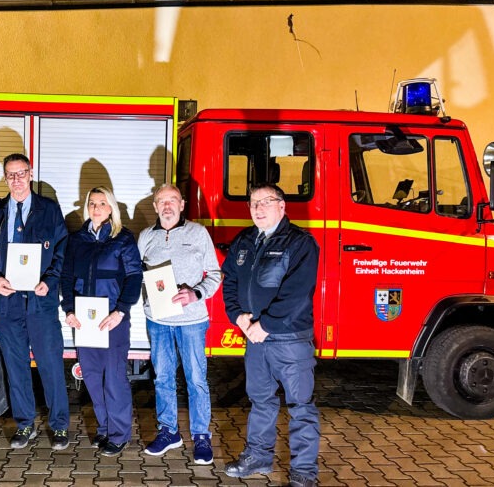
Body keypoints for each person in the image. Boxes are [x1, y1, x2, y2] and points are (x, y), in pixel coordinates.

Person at [221, 183, 320, 487]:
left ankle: (304, 473)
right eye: (253, 203)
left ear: (282, 206)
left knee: (300, 406)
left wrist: (264, 326)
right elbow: (230, 284)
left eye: (266, 202)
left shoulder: (300, 243)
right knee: (260, 401)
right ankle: (258, 457)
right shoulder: (245, 240)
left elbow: (296, 293)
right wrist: (238, 317)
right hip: (255, 340)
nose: (259, 208)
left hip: (289, 340)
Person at [0, 153, 70, 450]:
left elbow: (62, 251)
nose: (16, 179)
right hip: (9, 303)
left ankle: (60, 426)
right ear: (5, 178)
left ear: (31, 174)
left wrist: (50, 281)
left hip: (41, 303)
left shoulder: (49, 210)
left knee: (51, 366)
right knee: (15, 367)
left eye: (21, 173)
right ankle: (25, 425)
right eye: (10, 174)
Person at [137, 184, 221, 465]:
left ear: (182, 204)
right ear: (155, 205)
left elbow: (216, 274)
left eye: (173, 200)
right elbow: (136, 273)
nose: (168, 206)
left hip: (192, 321)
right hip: (158, 320)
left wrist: (196, 293)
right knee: (162, 377)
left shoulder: (198, 233)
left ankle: (201, 436)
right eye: (162, 201)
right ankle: (169, 431)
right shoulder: (146, 236)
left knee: (196, 379)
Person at [61, 187, 143, 457]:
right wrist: (69, 309)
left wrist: (120, 311)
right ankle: (105, 428)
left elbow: (134, 277)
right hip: (85, 320)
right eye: (92, 203)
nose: (96, 208)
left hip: (112, 319)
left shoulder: (123, 239)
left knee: (114, 378)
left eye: (102, 203)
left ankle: (119, 434)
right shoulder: (77, 240)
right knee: (93, 378)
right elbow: (66, 278)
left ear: (111, 208)